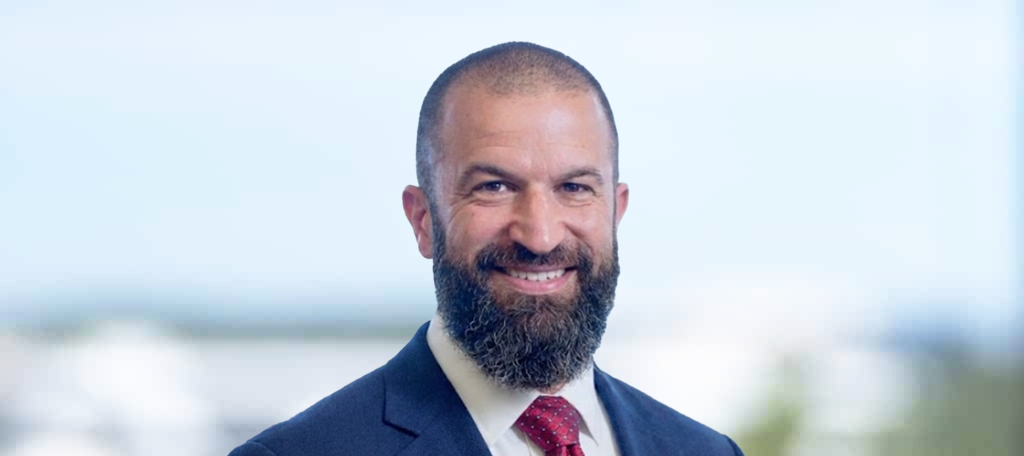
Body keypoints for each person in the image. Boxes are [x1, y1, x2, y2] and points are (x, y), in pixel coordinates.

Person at [229, 42, 744, 456]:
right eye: (494, 187)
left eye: (574, 187)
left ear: (615, 209)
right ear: (423, 220)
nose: (541, 236)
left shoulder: (704, 450)